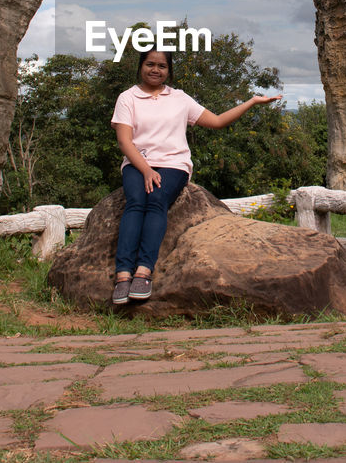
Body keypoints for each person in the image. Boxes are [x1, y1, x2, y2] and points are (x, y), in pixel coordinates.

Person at [110, 48, 281, 304]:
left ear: (169, 70)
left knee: (156, 200)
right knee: (135, 202)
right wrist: (145, 169)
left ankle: (144, 271)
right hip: (137, 163)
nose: (155, 70)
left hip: (173, 164)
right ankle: (123, 274)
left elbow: (217, 121)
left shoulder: (180, 98)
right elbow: (125, 142)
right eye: (150, 64)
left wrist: (252, 102)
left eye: (162, 66)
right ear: (140, 66)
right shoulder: (128, 97)